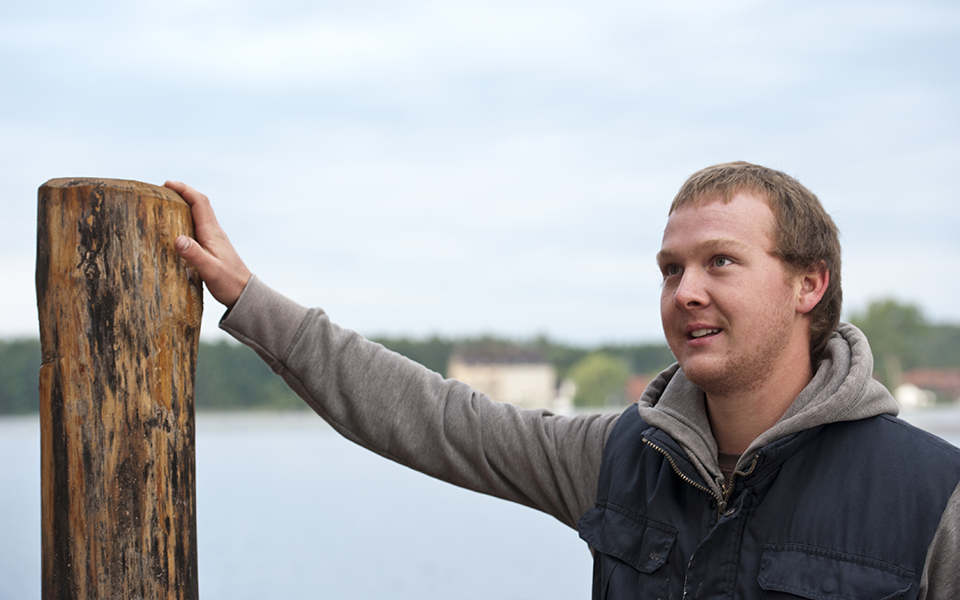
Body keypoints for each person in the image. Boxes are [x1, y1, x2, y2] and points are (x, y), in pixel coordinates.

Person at [165, 161, 960, 599]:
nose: (685, 291)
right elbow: (434, 419)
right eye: (670, 268)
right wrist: (248, 299)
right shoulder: (617, 462)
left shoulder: (933, 498)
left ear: (807, 285)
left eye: (721, 261)